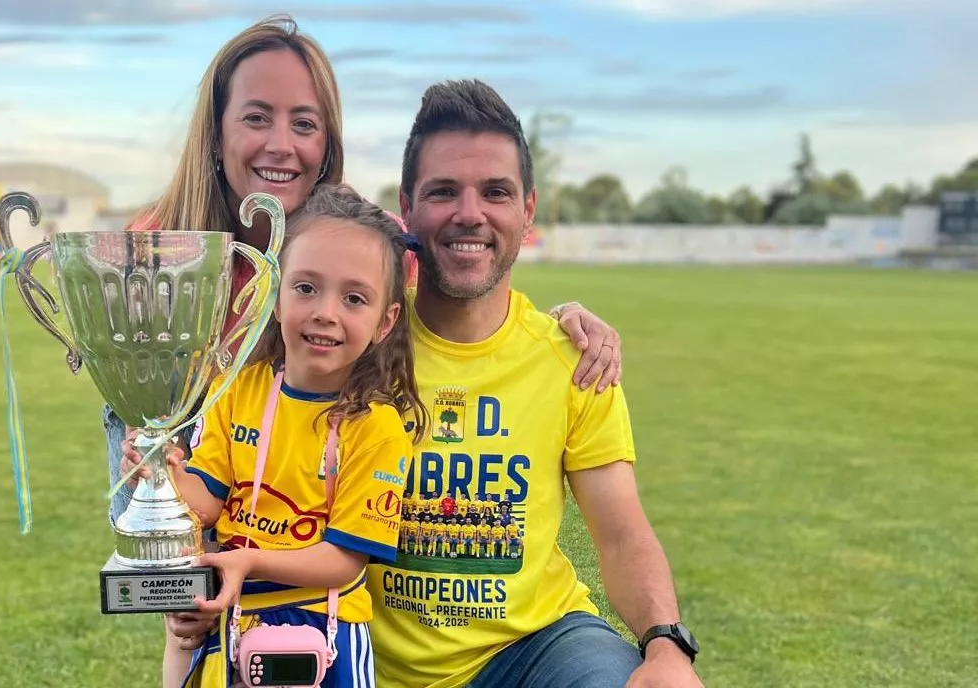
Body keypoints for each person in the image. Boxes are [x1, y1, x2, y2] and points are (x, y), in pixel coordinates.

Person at [107, 14, 626, 683]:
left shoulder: (364, 242)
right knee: (185, 622)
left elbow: (460, 295)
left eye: (304, 122)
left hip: (313, 577)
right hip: (198, 448)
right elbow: (188, 474)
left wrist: (567, 323)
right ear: (217, 130)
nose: (281, 144)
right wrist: (163, 489)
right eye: (256, 117)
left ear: (328, 141)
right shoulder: (157, 243)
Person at [363, 78, 703, 687]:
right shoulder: (358, 348)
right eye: (444, 191)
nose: (471, 213)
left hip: (535, 647)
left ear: (527, 210)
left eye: (496, 192)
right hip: (369, 656)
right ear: (406, 206)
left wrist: (666, 645)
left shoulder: (576, 359)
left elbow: (622, 531)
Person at [140, 184, 427, 686]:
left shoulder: (377, 428)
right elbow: (206, 502)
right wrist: (161, 474)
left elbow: (342, 562)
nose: (325, 312)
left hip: (326, 627)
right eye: (306, 287)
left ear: (385, 322)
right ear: (275, 297)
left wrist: (246, 561)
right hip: (233, 621)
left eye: (354, 298)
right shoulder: (237, 389)